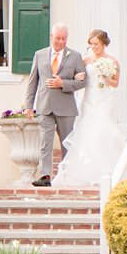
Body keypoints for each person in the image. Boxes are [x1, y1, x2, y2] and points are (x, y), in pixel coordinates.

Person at [52, 29, 127, 188]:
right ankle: (87, 171)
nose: (94, 47)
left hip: (104, 99)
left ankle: (106, 170)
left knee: (102, 131)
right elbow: (77, 76)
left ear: (104, 44)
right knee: (86, 131)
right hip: (88, 99)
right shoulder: (85, 60)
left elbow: (116, 83)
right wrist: (77, 77)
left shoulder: (113, 61)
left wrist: (106, 77)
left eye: (96, 44)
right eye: (91, 44)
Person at [22, 23, 85, 187]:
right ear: (52, 37)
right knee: (45, 142)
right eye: (58, 38)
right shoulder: (39, 55)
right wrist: (28, 106)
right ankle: (45, 176)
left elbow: (82, 82)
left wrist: (62, 83)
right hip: (45, 106)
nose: (61, 42)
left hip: (66, 107)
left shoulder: (75, 56)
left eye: (64, 39)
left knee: (67, 143)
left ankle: (67, 175)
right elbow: (32, 82)